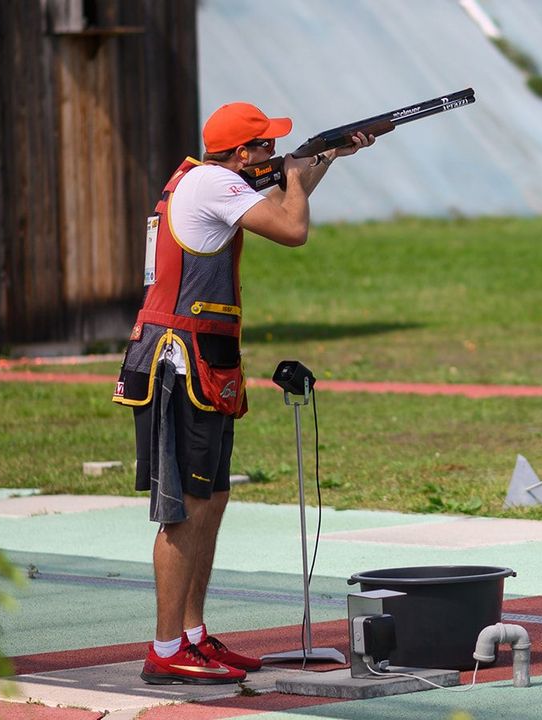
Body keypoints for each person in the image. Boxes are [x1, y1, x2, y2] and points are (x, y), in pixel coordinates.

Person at [113, 101, 373, 684]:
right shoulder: (212, 183)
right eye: (263, 148)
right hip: (181, 363)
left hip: (205, 362)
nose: (270, 156)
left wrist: (327, 157)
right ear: (241, 154)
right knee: (184, 508)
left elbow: (285, 191)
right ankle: (164, 646)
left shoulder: (208, 178)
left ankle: (194, 635)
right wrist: (303, 178)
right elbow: (292, 227)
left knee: (213, 499)